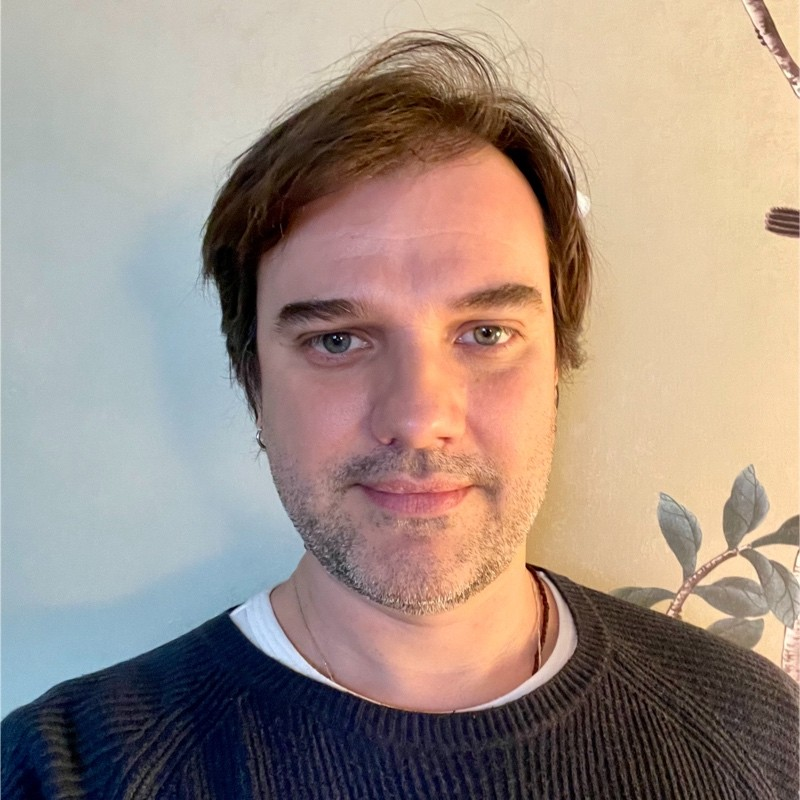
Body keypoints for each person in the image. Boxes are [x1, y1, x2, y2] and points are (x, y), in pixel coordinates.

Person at [2, 31, 797, 800]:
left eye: (487, 334)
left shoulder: (756, 731)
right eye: (337, 340)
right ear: (252, 381)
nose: (419, 417)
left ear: (557, 368)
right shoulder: (64, 772)